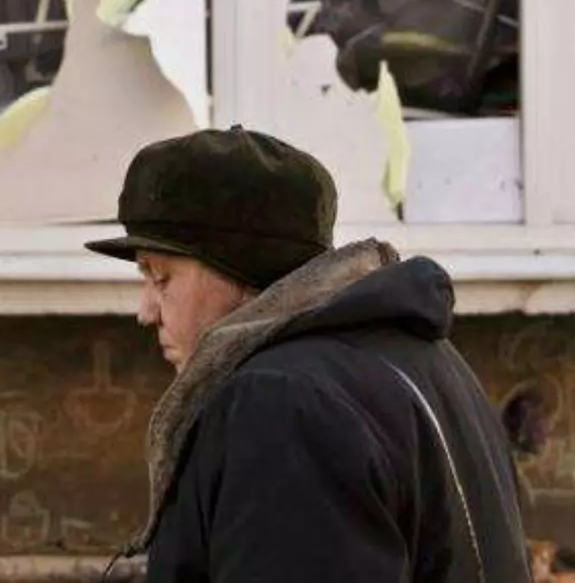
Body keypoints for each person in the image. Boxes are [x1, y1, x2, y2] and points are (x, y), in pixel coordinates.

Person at [86, 125, 532, 582]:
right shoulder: (428, 360)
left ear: (238, 268)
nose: (145, 312)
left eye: (161, 278)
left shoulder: (282, 405)